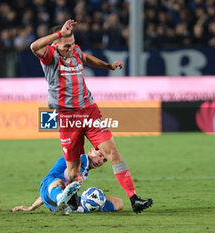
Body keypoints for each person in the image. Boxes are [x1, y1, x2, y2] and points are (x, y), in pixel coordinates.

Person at [30, 19, 152, 213]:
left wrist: (108, 67)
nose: (71, 49)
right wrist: (59, 34)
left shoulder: (75, 50)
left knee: (112, 152)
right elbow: (34, 46)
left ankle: (134, 198)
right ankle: (69, 200)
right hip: (68, 118)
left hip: (89, 111)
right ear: (56, 44)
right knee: (73, 171)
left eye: (72, 44)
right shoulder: (50, 56)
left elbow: (86, 58)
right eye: (66, 45)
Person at [11, 148, 123, 214]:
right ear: (90, 151)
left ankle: (72, 205)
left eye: (104, 160)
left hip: (55, 199)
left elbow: (47, 194)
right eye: (99, 155)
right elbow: (50, 187)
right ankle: (72, 206)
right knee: (60, 184)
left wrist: (31, 207)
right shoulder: (81, 159)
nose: (100, 161)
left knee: (117, 202)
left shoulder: (86, 170)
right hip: (50, 187)